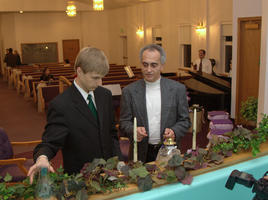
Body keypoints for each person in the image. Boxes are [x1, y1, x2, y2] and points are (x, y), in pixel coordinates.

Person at [28, 47, 122, 183]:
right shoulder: (61, 105)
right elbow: (50, 142)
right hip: (80, 178)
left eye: (101, 78)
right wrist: (42, 157)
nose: (100, 83)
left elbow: (111, 133)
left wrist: (118, 161)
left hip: (109, 173)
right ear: (79, 71)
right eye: (95, 78)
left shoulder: (104, 95)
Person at [119, 44, 191, 163]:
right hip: (141, 152)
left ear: (162, 66)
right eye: (145, 64)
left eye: (154, 65)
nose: (148, 70)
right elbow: (123, 122)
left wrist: (174, 131)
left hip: (169, 151)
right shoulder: (129, 91)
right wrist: (133, 130)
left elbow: (185, 121)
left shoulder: (177, 89)